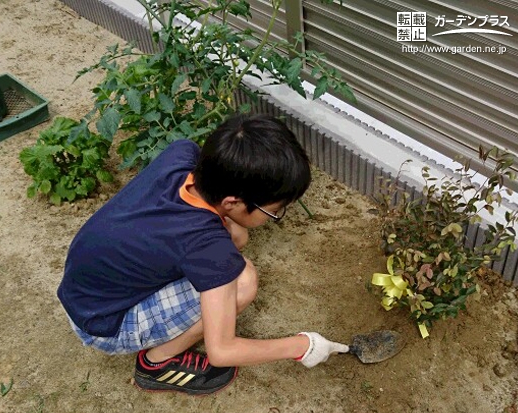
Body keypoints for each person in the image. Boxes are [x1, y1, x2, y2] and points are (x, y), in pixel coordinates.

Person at [58, 113, 349, 395]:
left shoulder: (182, 155)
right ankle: (156, 363)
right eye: (273, 211)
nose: (275, 215)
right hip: (104, 323)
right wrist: (302, 346)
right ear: (232, 202)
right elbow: (222, 351)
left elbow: (234, 235)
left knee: (235, 240)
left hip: (85, 291)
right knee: (243, 281)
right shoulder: (206, 247)